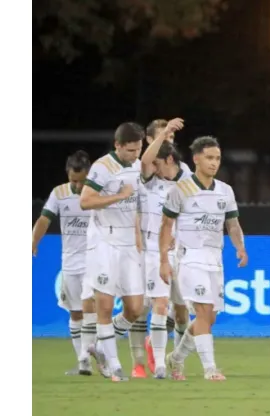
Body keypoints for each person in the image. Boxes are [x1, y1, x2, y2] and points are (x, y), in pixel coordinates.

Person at [161, 136, 248, 381]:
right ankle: (210, 369)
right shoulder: (181, 189)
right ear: (196, 159)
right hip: (190, 257)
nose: (214, 163)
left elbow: (232, 223)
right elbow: (166, 224)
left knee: (208, 318)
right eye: (209, 158)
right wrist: (163, 260)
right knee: (202, 312)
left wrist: (240, 247)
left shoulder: (225, 191)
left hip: (215, 258)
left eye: (217, 158)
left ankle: (176, 358)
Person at [32, 150, 108, 376]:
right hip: (70, 263)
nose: (76, 186)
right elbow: (44, 218)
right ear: (67, 174)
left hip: (96, 261)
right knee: (76, 314)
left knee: (95, 311)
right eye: (73, 180)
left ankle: (100, 356)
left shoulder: (97, 193)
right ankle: (83, 360)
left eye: (81, 181)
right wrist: (34, 241)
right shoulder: (60, 193)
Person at [80, 122, 146, 382]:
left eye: (138, 149)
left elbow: (136, 204)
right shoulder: (102, 167)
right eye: (130, 150)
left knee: (135, 308)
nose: (135, 155)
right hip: (104, 242)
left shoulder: (138, 165)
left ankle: (99, 347)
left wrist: (138, 234)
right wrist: (117, 197)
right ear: (117, 145)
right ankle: (114, 364)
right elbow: (85, 201)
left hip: (129, 242)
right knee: (104, 305)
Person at [137, 119, 190, 379]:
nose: (169, 138)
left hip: (182, 249)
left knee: (182, 312)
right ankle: (158, 363)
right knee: (159, 304)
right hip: (153, 249)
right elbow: (147, 160)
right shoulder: (149, 175)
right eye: (162, 136)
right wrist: (164, 133)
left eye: (169, 136)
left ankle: (176, 362)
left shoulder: (187, 174)